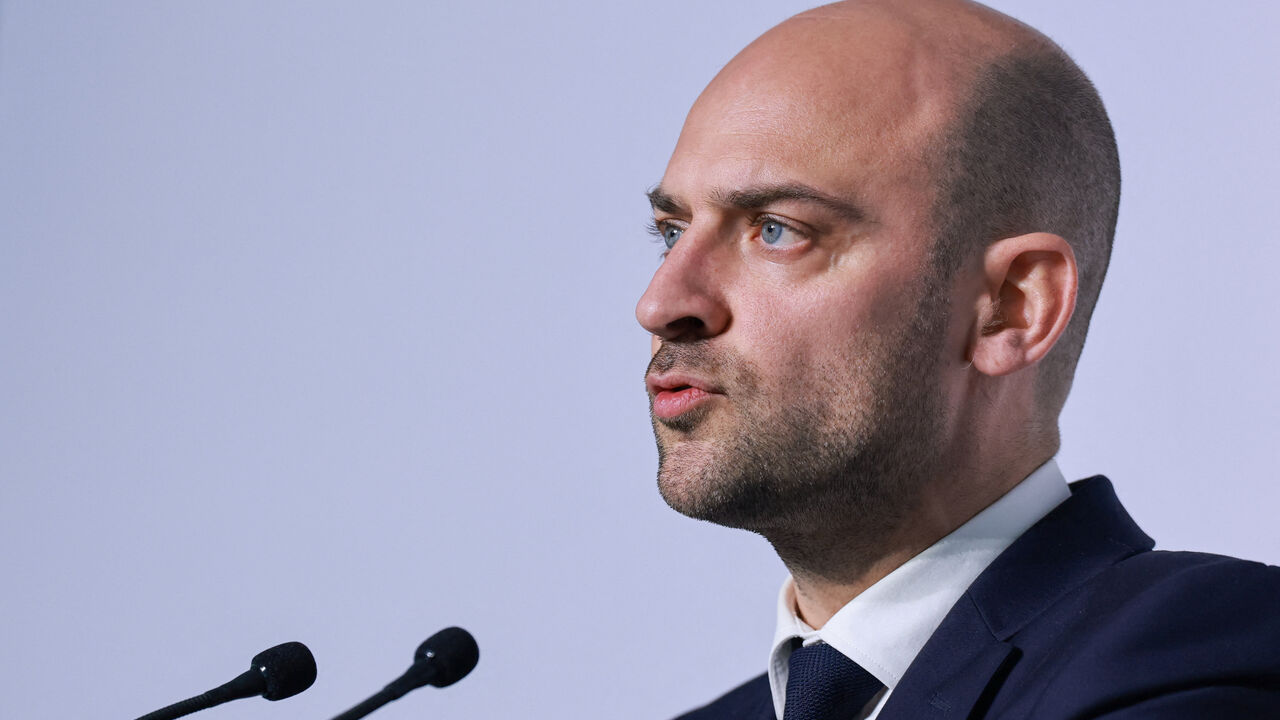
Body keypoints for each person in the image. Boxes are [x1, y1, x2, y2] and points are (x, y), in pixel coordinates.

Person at [635, 1, 1280, 718]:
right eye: (672, 231)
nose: (660, 303)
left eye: (777, 230)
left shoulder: (1213, 655)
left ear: (1011, 306)